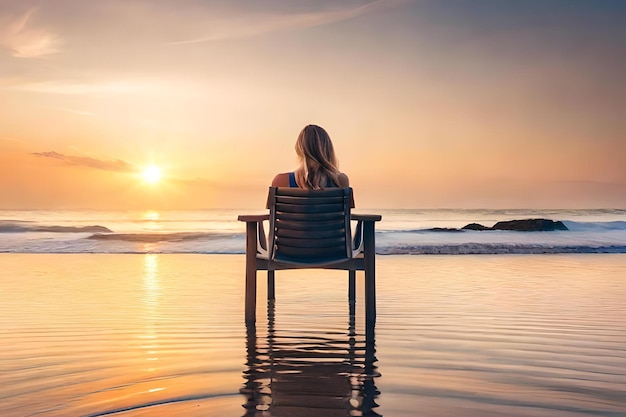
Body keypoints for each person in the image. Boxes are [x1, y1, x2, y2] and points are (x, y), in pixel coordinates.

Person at [271, 124, 350, 190]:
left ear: (299, 150)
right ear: (328, 149)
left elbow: (274, 208)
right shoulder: (340, 180)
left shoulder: (281, 181)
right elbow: (346, 209)